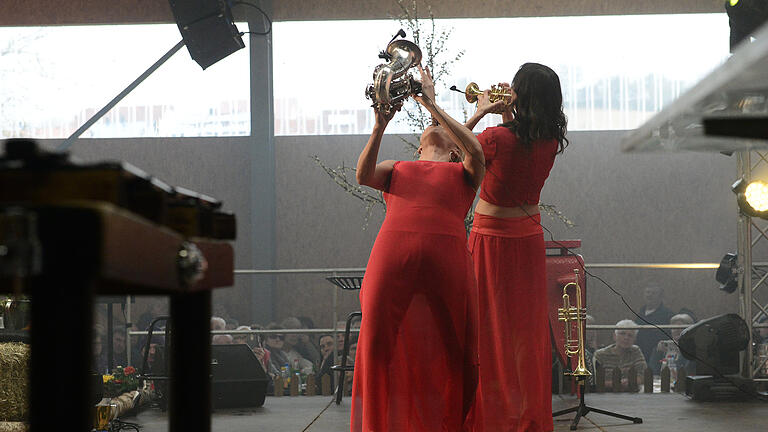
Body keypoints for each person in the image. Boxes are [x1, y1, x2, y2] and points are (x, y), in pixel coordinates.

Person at [350, 65, 483, 432]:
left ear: (455, 149)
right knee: (376, 340)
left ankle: (452, 424)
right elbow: (362, 175)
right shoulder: (399, 167)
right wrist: (380, 125)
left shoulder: (466, 171)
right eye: (432, 130)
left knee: (457, 341)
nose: (438, 130)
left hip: (449, 258)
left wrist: (431, 103)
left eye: (448, 132)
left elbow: (472, 147)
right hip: (393, 253)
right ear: (420, 146)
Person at [463, 62, 568, 432]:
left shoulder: (494, 137)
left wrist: (480, 110)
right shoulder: (550, 139)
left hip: (491, 237)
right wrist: (506, 111)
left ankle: (492, 416)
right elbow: (518, 144)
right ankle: (526, 416)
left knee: (487, 329)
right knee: (524, 333)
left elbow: (454, 149)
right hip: (528, 240)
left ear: (521, 93)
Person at [593, 320, 647, 391]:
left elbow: (644, 375)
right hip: (607, 396)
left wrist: (631, 381)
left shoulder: (635, 351)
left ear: (634, 339)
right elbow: (594, 381)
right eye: (622, 333)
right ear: (614, 336)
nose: (626, 338)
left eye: (630, 335)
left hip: (632, 395)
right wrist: (616, 383)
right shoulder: (600, 354)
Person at [635, 285, 674, 365]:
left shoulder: (667, 315)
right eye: (647, 292)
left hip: (658, 356)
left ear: (660, 296)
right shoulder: (640, 313)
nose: (649, 295)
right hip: (640, 355)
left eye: (654, 293)